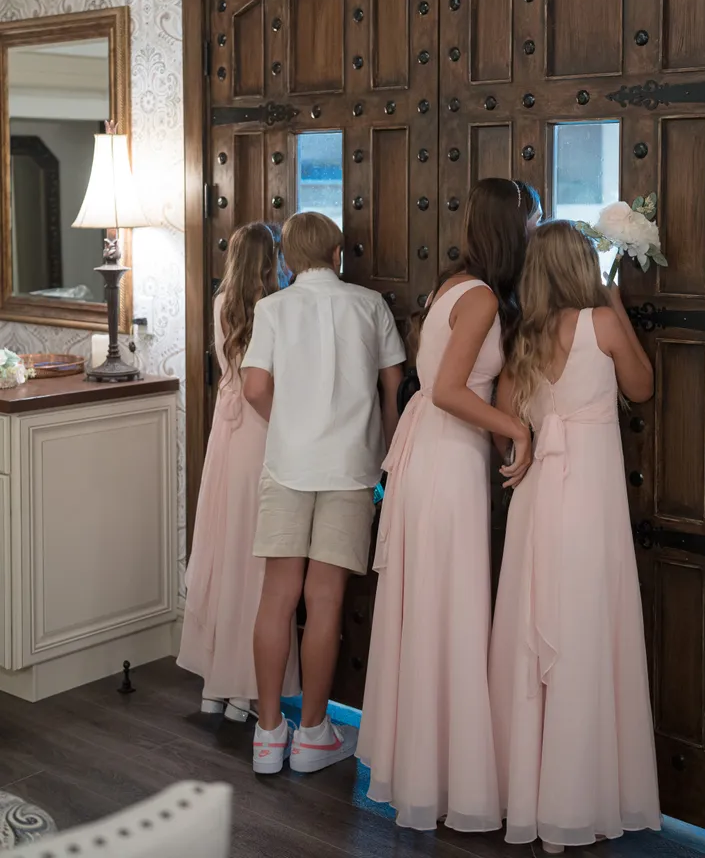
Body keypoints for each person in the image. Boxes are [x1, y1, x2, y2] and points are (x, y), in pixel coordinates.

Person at [357, 178, 539, 832]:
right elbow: (447, 390)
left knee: (429, 609)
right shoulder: (483, 297)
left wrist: (501, 434)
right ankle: (445, 780)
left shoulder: (452, 286)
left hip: (430, 458)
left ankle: (425, 769)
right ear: (509, 228)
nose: (534, 236)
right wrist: (517, 430)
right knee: (448, 609)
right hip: (444, 460)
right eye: (531, 224)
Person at [489, 220, 661, 852]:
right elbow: (642, 387)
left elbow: (504, 416)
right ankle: (575, 802)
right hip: (589, 500)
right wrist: (615, 298)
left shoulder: (525, 337)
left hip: (537, 499)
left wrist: (538, 425)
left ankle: (530, 801)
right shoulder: (604, 324)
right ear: (583, 266)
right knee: (587, 632)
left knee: (535, 631)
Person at [241, 211, 405, 776]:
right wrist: (380, 443)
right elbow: (393, 384)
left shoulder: (272, 309)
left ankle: (267, 737)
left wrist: (283, 420)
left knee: (277, 598)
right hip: (351, 469)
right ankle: (313, 734)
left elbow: (255, 386)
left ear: (287, 259)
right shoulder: (370, 305)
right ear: (337, 253)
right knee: (326, 601)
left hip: (288, 464)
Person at [178, 222, 300, 721]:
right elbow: (267, 383)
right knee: (255, 556)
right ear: (272, 259)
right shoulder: (275, 307)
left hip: (224, 433)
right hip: (257, 427)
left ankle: (216, 683)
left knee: (223, 546)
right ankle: (243, 690)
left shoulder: (221, 301)